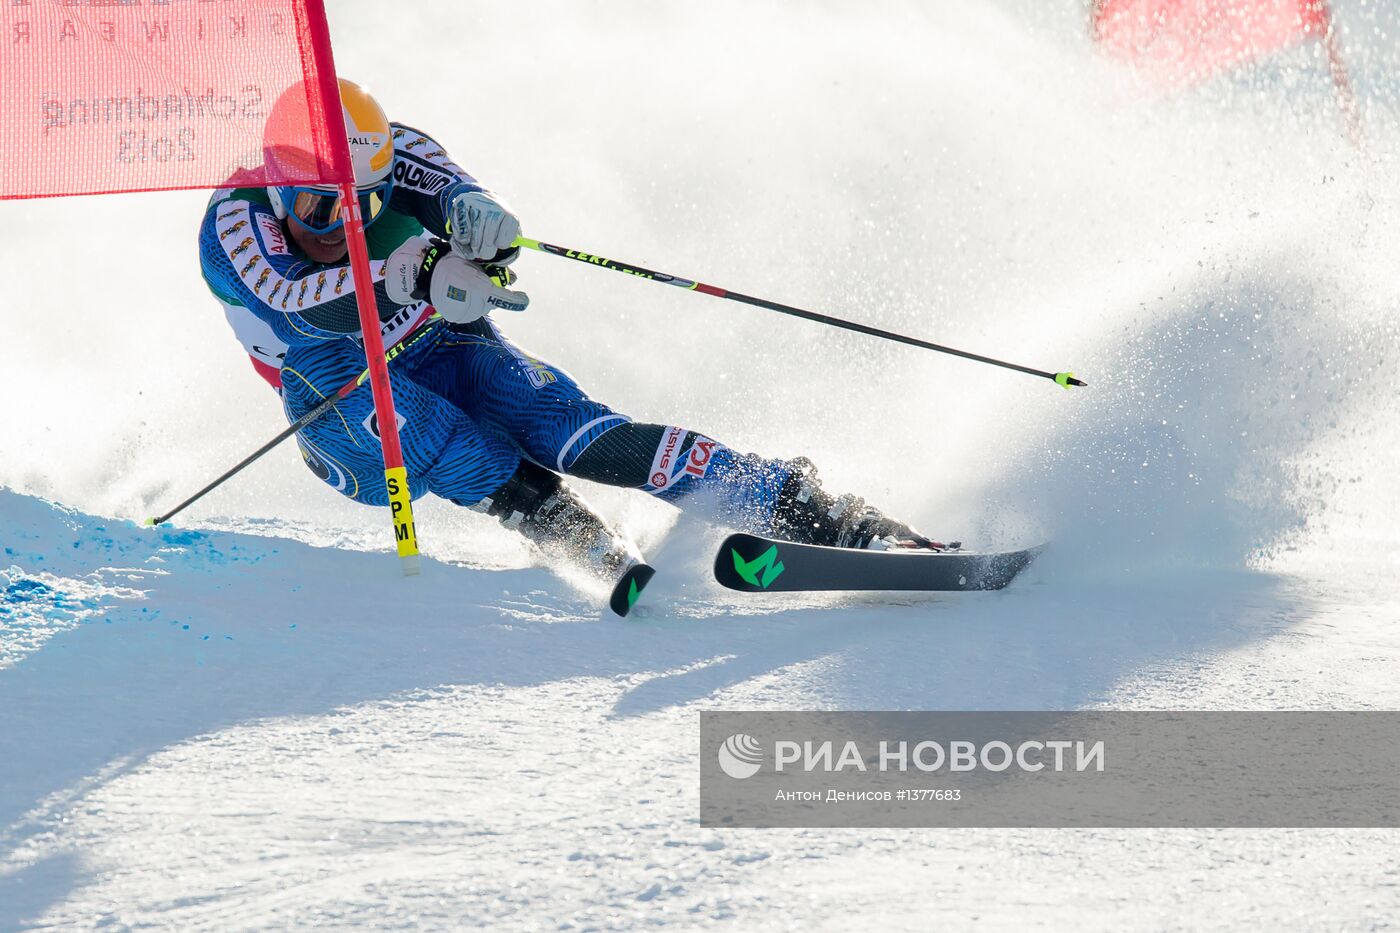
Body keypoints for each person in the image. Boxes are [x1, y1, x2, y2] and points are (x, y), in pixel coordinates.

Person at [199, 79, 940, 602]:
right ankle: (547, 516)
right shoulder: (234, 217)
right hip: (340, 404)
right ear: (280, 181)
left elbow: (474, 206)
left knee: (570, 429)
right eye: (321, 211)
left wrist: (483, 226)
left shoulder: (399, 150)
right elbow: (300, 306)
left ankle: (807, 506)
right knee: (443, 436)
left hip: (443, 346)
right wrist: (403, 271)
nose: (348, 226)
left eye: (368, 204)